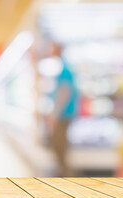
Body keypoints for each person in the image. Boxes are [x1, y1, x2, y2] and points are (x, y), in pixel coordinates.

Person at [49, 42, 79, 176]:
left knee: (59, 144)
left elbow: (64, 93)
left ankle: (65, 174)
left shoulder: (65, 70)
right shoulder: (64, 68)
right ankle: (63, 172)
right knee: (59, 144)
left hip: (64, 113)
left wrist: (55, 114)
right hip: (65, 112)